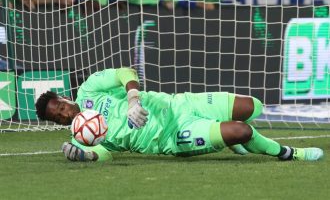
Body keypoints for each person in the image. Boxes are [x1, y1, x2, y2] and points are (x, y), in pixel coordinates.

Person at [35, 67, 324, 162]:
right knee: (242, 130)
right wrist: (87, 156)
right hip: (173, 137)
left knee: (253, 106)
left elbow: (125, 72)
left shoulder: (88, 91)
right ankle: (289, 153)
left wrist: (133, 98)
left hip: (179, 104)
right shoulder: (80, 137)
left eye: (61, 106)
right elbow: (105, 152)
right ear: (57, 123)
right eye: (58, 117)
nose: (65, 114)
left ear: (64, 97)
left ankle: (224, 134)